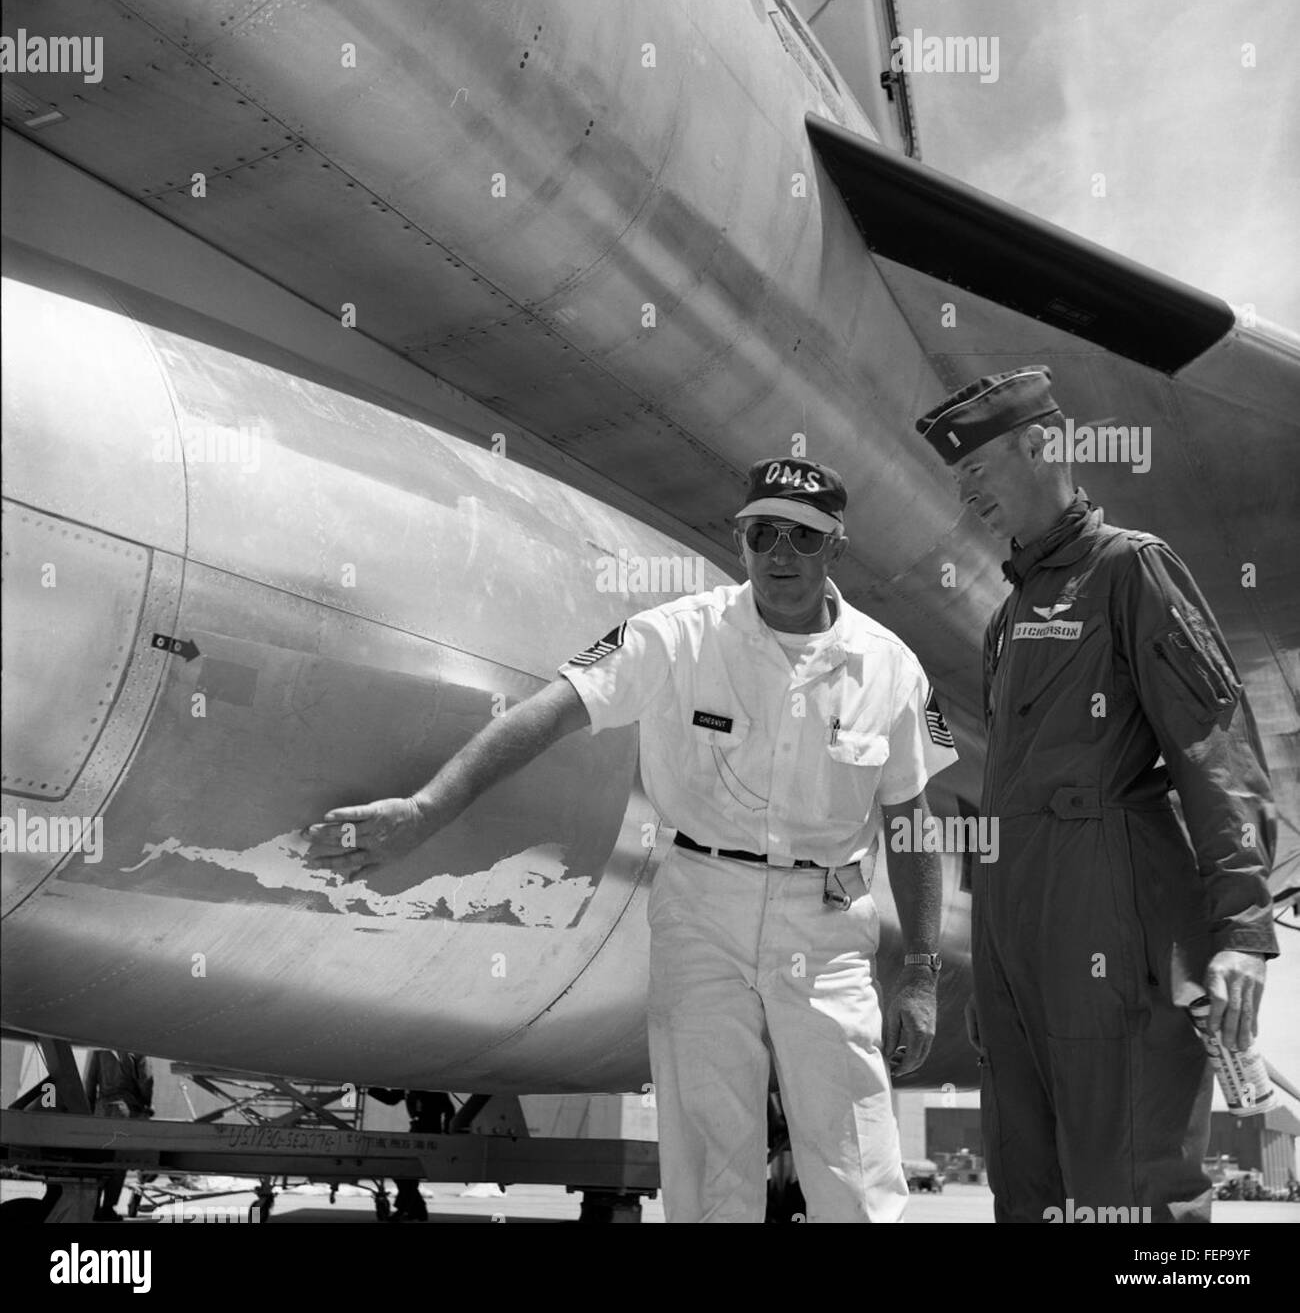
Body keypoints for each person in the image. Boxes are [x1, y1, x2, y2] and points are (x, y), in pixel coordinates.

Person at [306, 457, 958, 1222]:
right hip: (700, 911)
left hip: (827, 923)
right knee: (710, 1164)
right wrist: (426, 809)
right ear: (740, 538)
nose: (781, 554)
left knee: (856, 1161)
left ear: (836, 549)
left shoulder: (889, 668)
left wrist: (919, 971)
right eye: (764, 533)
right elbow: (548, 713)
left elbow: (912, 821)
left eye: (804, 538)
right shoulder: (678, 635)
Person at [915, 365, 1277, 1223]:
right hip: (1017, 945)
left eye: (979, 472)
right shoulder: (1011, 615)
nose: (970, 498)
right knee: (1025, 1190)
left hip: (1111, 928)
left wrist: (1241, 929)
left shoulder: (1133, 571)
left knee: (1135, 1190)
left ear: (1043, 445)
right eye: (958, 482)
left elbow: (1215, 752)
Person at [84, 1050, 153, 1220]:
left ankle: (93, 1207)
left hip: (102, 1110)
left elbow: (90, 1081)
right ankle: (108, 1208)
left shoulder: (98, 1048)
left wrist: (89, 1110)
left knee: (98, 1160)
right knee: (118, 1163)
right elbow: (146, 1080)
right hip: (125, 1110)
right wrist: (146, 1105)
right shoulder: (137, 1048)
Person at [368, 1088, 455, 1221]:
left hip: (429, 1132)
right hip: (417, 1130)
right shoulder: (410, 1088)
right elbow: (391, 1098)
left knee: (406, 1173)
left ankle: (407, 1209)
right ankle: (416, 1210)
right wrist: (371, 1089)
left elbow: (449, 1110)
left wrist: (445, 1133)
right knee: (405, 1174)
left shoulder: (434, 1089)